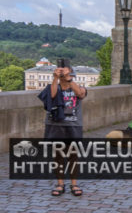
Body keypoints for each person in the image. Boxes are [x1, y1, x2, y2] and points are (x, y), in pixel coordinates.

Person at [39, 62, 87, 197]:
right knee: (58, 156)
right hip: (55, 125)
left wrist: (69, 79)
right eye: (64, 74)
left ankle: (74, 183)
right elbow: (52, 96)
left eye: (68, 73)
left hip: (73, 125)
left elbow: (80, 94)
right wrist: (55, 78)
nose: (65, 76)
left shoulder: (79, 87)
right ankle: (60, 184)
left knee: (73, 156)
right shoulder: (52, 87)